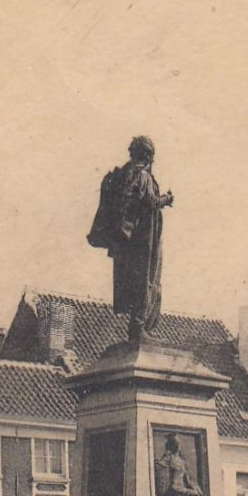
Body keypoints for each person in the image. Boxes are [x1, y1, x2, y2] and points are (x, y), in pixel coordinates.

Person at [86, 135, 174, 342]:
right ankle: (139, 328)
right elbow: (149, 201)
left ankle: (139, 328)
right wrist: (166, 200)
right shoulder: (142, 175)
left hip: (127, 242)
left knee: (136, 281)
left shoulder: (122, 174)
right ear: (149, 156)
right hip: (144, 240)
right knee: (147, 280)